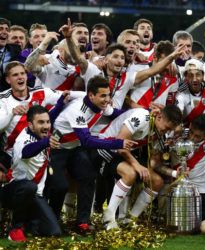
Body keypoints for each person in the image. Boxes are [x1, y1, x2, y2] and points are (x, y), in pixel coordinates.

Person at [47, 75, 136, 233]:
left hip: (74, 148)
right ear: (91, 95)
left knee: (88, 176)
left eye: (108, 95)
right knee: (60, 186)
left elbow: (118, 114)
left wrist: (143, 114)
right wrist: (119, 143)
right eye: (103, 96)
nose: (107, 100)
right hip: (57, 149)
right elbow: (87, 141)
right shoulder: (77, 110)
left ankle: (83, 222)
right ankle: (52, 221)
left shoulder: (98, 103)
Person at [101, 105, 182, 229]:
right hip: (107, 147)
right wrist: (137, 165)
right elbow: (119, 143)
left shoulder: (159, 132)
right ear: (159, 117)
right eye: (166, 128)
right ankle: (109, 217)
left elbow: (154, 163)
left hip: (125, 153)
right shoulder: (142, 117)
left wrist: (174, 173)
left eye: (169, 130)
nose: (165, 132)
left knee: (157, 181)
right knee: (131, 173)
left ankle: (130, 220)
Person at [2, 105, 62, 242]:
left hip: (35, 196)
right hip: (14, 191)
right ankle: (15, 228)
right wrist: (46, 142)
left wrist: (60, 103)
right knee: (29, 186)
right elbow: (26, 152)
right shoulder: (23, 140)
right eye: (41, 122)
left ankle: (30, 223)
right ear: (30, 125)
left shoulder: (41, 134)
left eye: (47, 122)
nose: (46, 126)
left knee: (54, 232)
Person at [176, 58, 205, 127]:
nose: (194, 79)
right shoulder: (181, 93)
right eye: (190, 75)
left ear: (203, 75)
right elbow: (178, 115)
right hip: (187, 131)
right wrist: (178, 126)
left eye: (198, 75)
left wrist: (204, 127)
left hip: (204, 130)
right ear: (186, 77)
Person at [0, 18, 21, 91]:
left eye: (7, 29)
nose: (4, 32)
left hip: (7, 96)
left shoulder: (16, 50)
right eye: (1, 28)